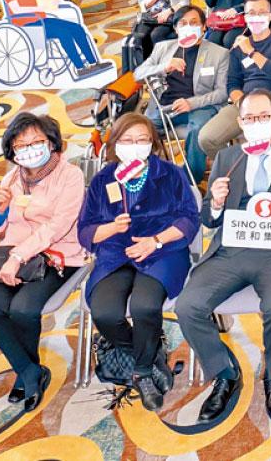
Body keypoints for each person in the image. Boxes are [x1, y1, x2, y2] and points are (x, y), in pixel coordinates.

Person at [179, 89, 271, 422]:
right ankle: (224, 373)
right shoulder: (227, 159)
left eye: (263, 116)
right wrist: (216, 203)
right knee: (187, 306)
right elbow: (208, 219)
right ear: (240, 122)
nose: (256, 123)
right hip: (232, 250)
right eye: (249, 118)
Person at [79, 113, 200, 411]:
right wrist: (111, 228)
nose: (135, 146)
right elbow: (85, 230)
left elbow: (189, 218)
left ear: (153, 144)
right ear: (115, 144)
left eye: (142, 140)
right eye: (127, 140)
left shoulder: (171, 174)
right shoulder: (103, 179)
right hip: (115, 253)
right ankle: (149, 354)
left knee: (145, 306)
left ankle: (142, 372)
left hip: (162, 251)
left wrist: (156, 240)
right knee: (105, 312)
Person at [0, 113, 84, 412]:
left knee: (23, 309)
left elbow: (57, 227)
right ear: (12, 149)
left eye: (36, 141)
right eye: (20, 145)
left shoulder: (70, 175)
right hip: (12, 255)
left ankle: (27, 373)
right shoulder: (12, 177)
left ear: (51, 143)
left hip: (56, 255)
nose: (29, 149)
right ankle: (28, 371)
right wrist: (0, 211)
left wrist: (18, 257)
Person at [197, 0, 271, 155]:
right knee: (207, 138)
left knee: (264, 142)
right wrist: (243, 103)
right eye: (251, 13)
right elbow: (233, 83)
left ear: (270, 16)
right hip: (245, 103)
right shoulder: (239, 47)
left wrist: (251, 52)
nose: (256, 17)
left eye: (262, 12)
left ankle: (261, 167)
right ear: (245, 17)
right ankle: (238, 165)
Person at [135, 6, 228, 181]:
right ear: (176, 28)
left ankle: (190, 179)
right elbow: (138, 74)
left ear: (203, 27)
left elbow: (222, 93)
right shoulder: (162, 48)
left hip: (199, 106)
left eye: (194, 23)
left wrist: (191, 103)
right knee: (139, 131)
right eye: (183, 23)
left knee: (198, 130)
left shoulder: (219, 54)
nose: (188, 27)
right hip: (163, 107)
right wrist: (164, 67)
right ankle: (150, 176)